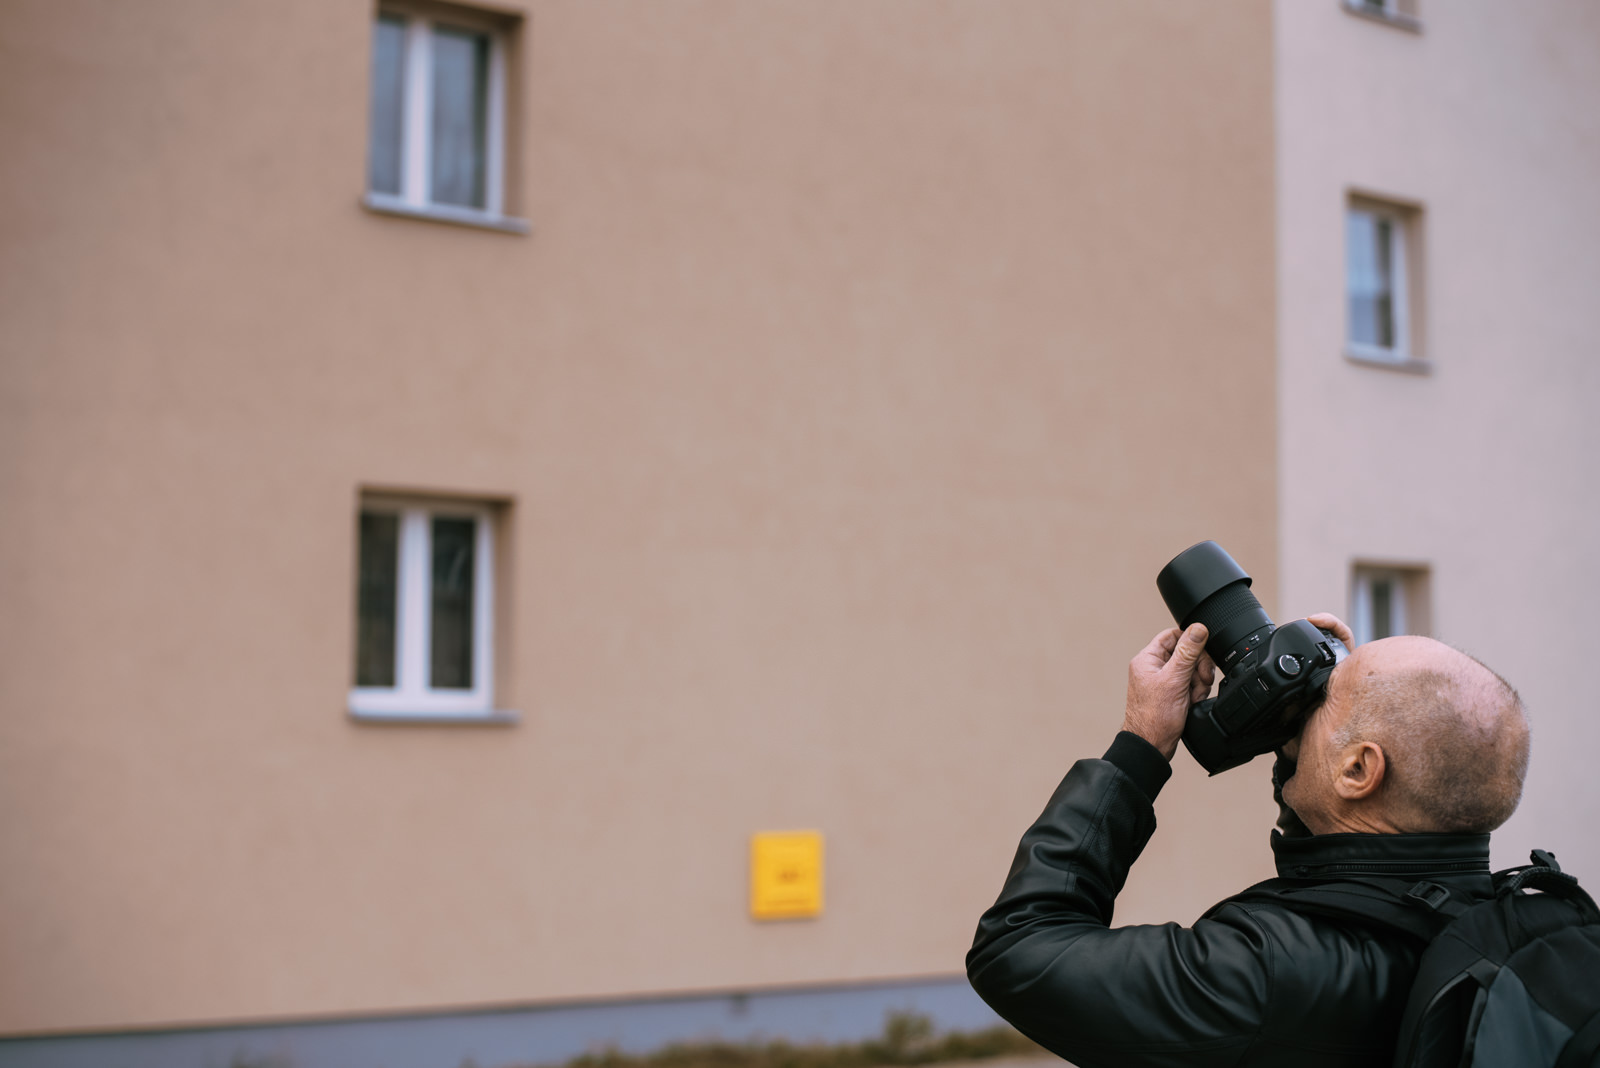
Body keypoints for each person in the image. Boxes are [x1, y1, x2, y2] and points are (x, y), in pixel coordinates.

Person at [966, 613, 1530, 1068]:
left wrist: (1140, 747)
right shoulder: (1509, 926)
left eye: (1329, 689)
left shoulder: (1270, 972)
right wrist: (1305, 750)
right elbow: (1343, 859)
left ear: (1359, 771)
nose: (1309, 699)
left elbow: (1018, 950)